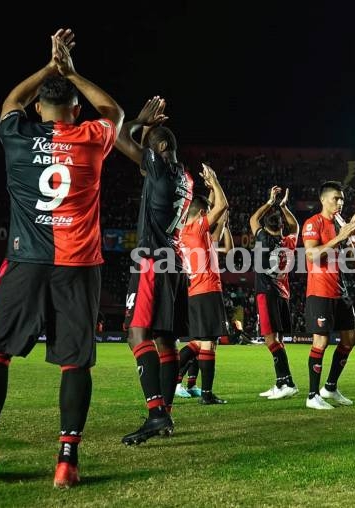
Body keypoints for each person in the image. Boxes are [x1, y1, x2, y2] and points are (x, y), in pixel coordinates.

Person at [0, 29, 123, 488]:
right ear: (75, 110)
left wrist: (49, 68)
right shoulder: (91, 137)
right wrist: (72, 72)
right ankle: (66, 461)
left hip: (26, 259)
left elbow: (11, 100)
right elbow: (114, 112)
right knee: (76, 362)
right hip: (79, 264)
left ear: (37, 110)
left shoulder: (15, 135)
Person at [115, 97, 194, 444]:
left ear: (160, 148)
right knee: (165, 340)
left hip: (151, 259)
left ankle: (156, 414)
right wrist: (149, 129)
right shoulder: (186, 178)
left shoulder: (159, 167)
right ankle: (166, 414)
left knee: (137, 334)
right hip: (175, 262)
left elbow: (117, 138)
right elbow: (143, 155)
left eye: (149, 146)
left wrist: (137, 121)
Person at [302, 183, 355, 410]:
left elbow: (352, 246)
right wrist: (340, 238)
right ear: (323, 199)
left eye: (342, 199)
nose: (340, 203)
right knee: (320, 341)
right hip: (320, 290)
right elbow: (312, 255)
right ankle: (312, 395)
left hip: (340, 290)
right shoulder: (313, 223)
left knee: (350, 339)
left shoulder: (339, 222)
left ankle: (329, 387)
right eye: (336, 199)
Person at [178, 165, 230, 405]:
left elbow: (210, 208)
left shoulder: (186, 232)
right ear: (201, 215)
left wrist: (209, 190)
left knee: (201, 342)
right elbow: (222, 206)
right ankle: (207, 394)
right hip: (207, 289)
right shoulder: (198, 229)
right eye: (206, 213)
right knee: (208, 342)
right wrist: (216, 181)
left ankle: (175, 378)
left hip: (196, 290)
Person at [250, 186, 300, 400]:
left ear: (266, 226)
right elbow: (296, 226)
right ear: (281, 227)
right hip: (283, 294)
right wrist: (284, 206)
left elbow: (253, 219)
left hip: (266, 293)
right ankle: (281, 383)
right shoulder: (289, 242)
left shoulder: (261, 238)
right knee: (278, 339)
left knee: (270, 340)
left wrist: (270, 201)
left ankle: (287, 381)